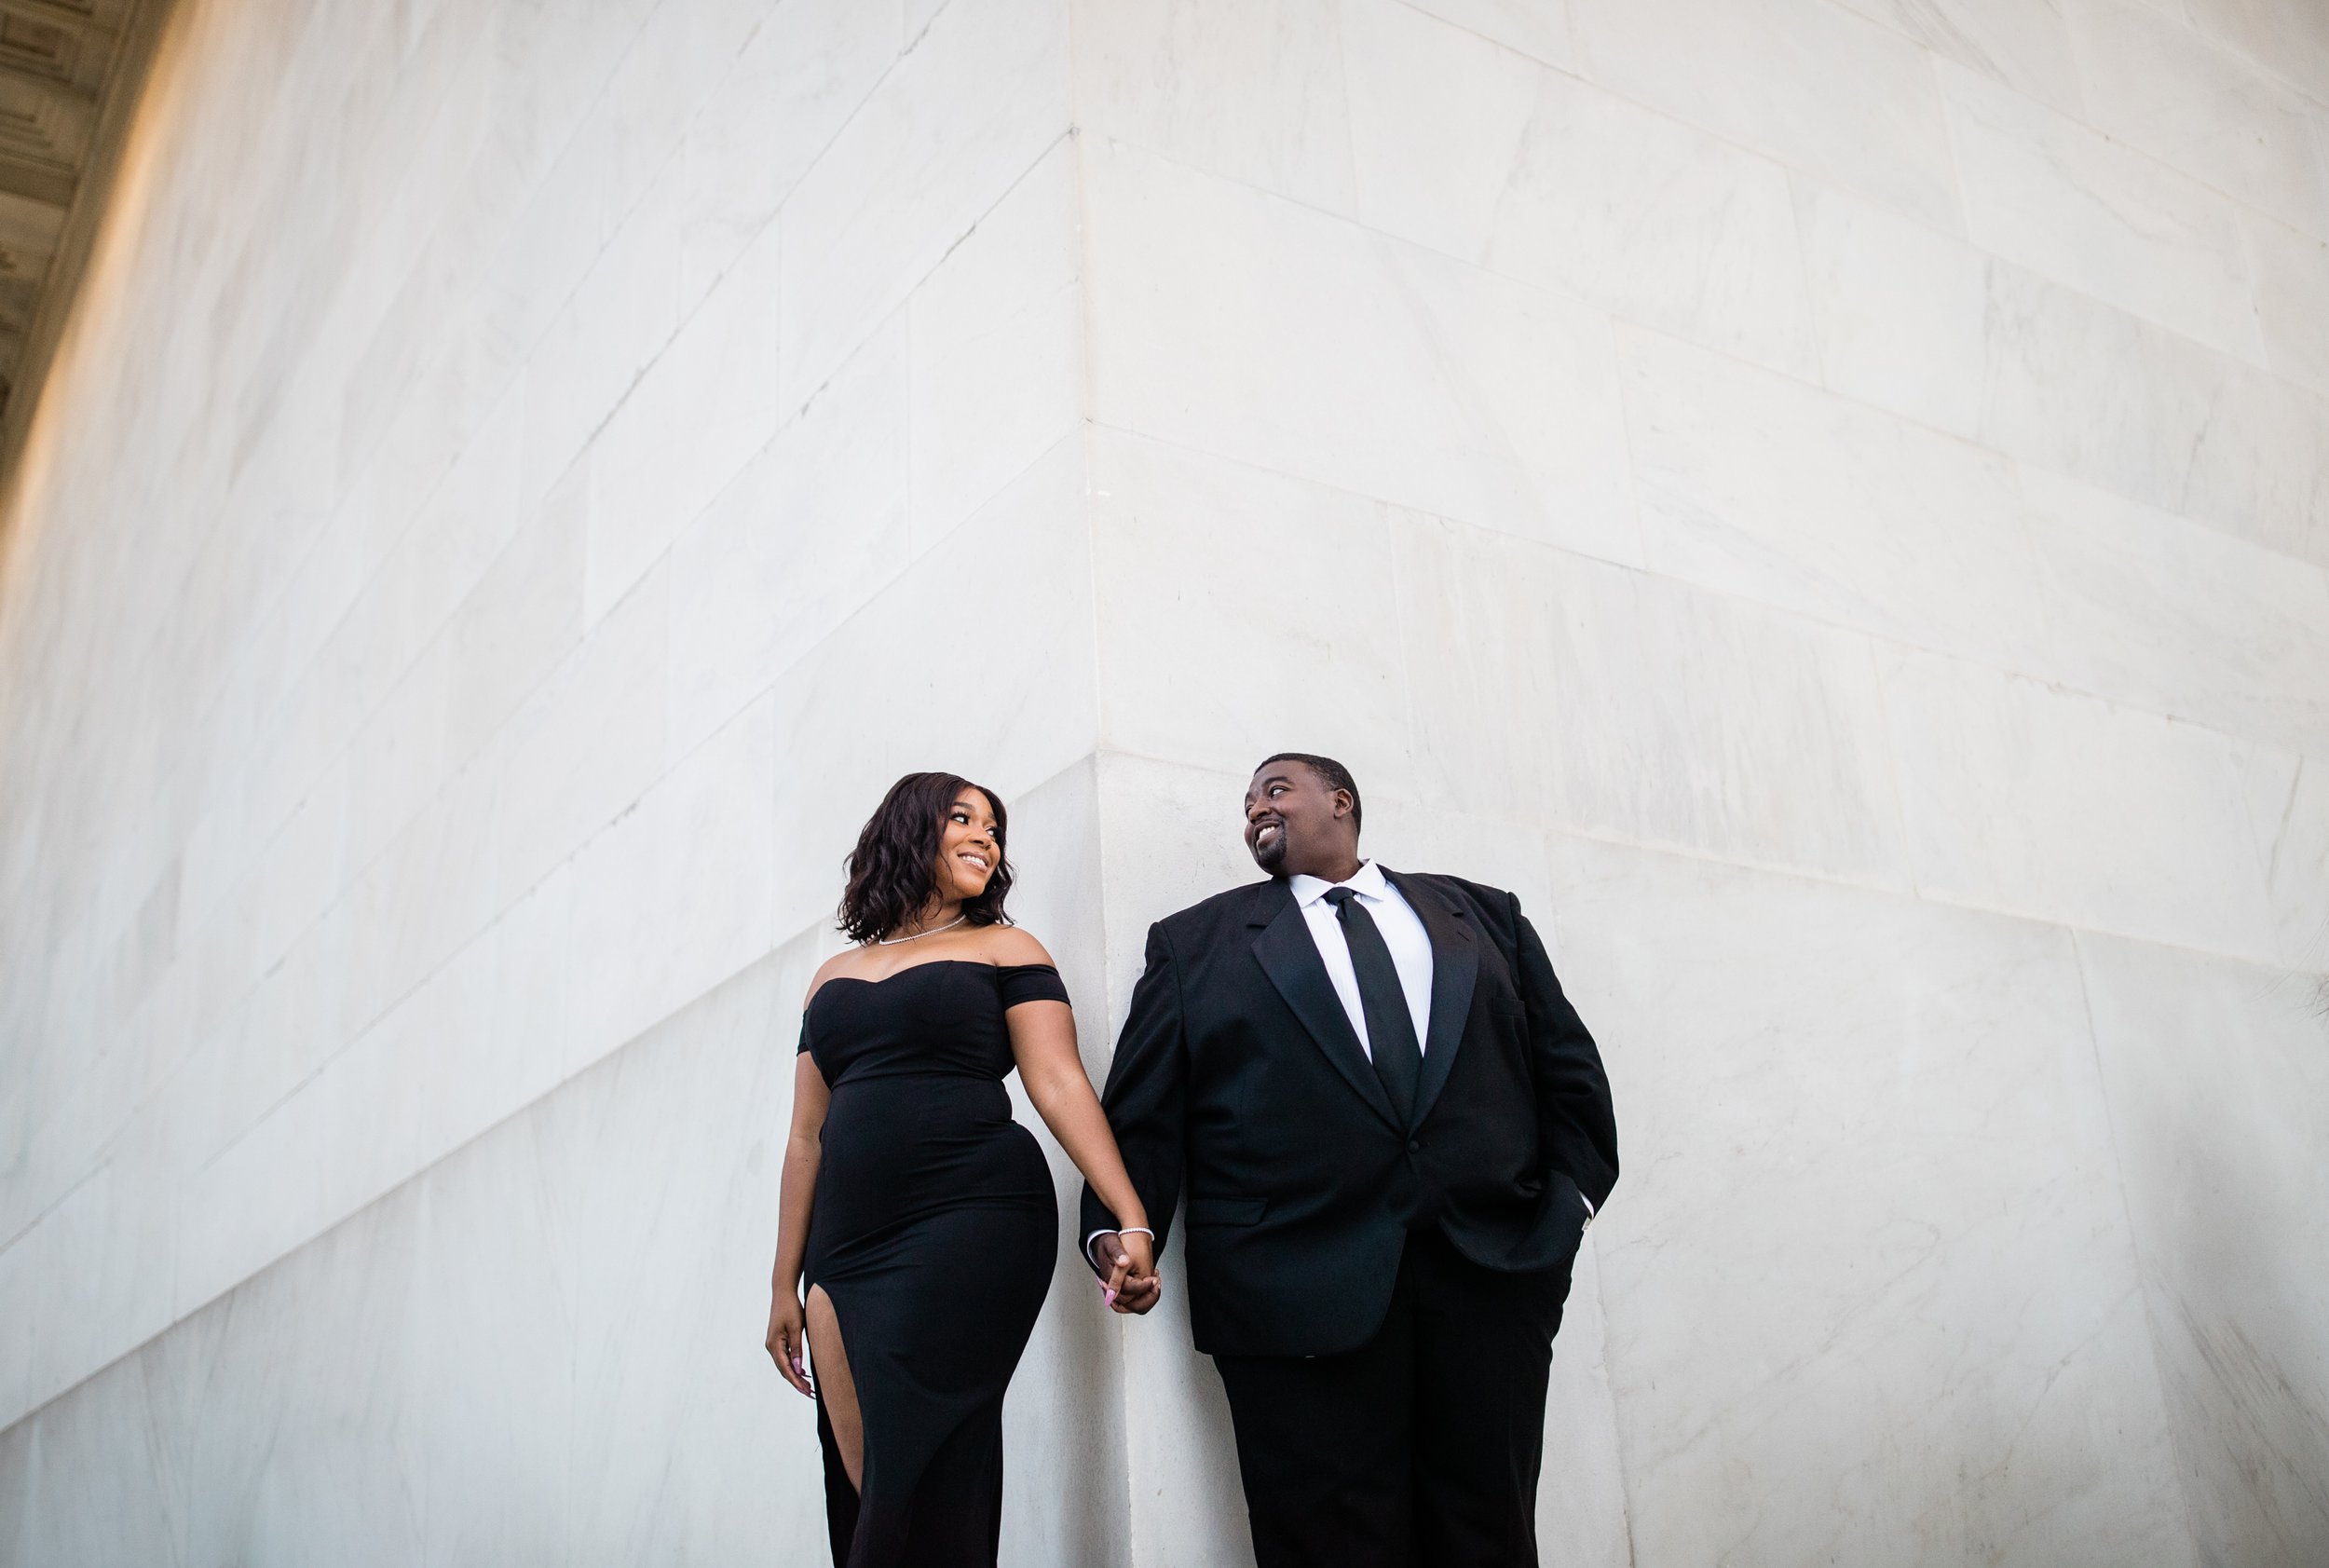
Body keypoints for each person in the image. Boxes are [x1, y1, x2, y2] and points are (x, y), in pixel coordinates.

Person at [1084, 753, 1617, 1567]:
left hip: (1490, 1280)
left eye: (1274, 789)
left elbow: (1568, 1070)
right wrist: (1122, 1227)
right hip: (1289, 1293)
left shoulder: (1485, 916)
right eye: (1247, 801)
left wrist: (1565, 1212)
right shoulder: (1197, 942)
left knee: (1490, 1534)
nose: (1254, 810)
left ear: (1341, 801)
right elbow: (1142, 1113)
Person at [766, 771, 1157, 1567]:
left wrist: (1130, 1213)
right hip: (845, 1247)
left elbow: (1058, 1081)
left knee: (925, 1452)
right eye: (964, 819)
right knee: (864, 1471)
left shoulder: (1007, 948)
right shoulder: (830, 977)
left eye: (996, 828)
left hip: (973, 1218)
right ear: (910, 831)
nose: (987, 837)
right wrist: (783, 1285)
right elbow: (806, 1135)